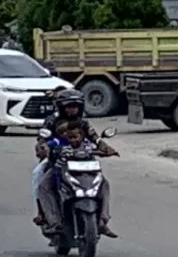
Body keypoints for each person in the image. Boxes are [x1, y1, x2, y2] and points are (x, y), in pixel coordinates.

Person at [33, 89, 117, 238]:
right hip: (58, 163)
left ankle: (103, 220)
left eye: (75, 106)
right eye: (68, 106)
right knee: (42, 181)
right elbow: (42, 140)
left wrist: (107, 148)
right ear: (61, 107)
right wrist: (44, 149)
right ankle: (48, 218)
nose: (72, 109)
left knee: (104, 184)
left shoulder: (83, 123)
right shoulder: (52, 120)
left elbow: (95, 138)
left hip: (84, 162)